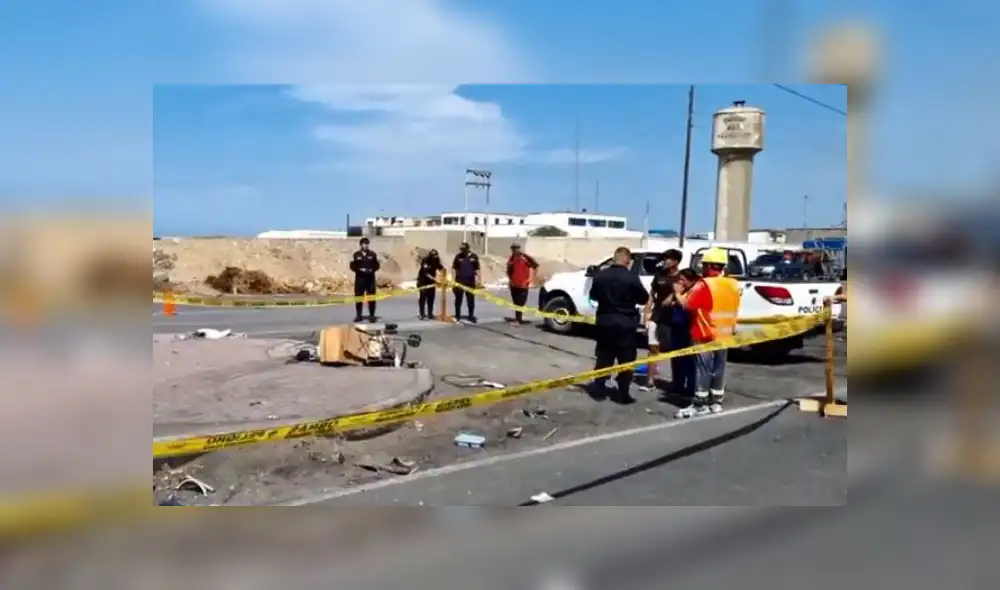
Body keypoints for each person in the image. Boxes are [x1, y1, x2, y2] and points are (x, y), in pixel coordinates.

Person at [673, 247, 741, 418]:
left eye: (703, 265)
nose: (701, 269)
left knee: (703, 370)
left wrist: (677, 293)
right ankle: (716, 401)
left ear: (710, 265)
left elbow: (688, 305)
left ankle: (699, 402)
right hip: (724, 334)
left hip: (705, 334)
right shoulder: (733, 284)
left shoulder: (705, 285)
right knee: (718, 369)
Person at [587, 246, 649, 404]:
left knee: (604, 356)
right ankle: (623, 392)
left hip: (605, 320)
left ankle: (599, 388)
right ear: (627, 260)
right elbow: (643, 298)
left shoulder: (601, 276)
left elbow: (593, 296)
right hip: (625, 323)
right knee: (626, 359)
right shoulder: (631, 277)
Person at [641, 249, 683, 390]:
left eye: (667, 259)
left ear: (675, 262)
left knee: (674, 351)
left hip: (673, 319)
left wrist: (673, 300)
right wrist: (647, 309)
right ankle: (650, 381)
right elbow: (652, 293)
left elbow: (684, 296)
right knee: (653, 348)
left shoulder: (681, 277)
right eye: (664, 258)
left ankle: (677, 384)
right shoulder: (659, 275)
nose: (664, 261)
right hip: (657, 316)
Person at [349, 237, 381, 323]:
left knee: (371, 298)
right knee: (359, 297)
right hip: (360, 279)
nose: (366, 246)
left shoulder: (372, 254)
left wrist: (372, 270)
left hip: (370, 280)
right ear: (361, 245)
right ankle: (359, 315)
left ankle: (372, 315)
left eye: (367, 244)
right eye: (364, 244)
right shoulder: (356, 255)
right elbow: (353, 266)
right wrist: (360, 270)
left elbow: (377, 265)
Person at [506, 243, 538, 326]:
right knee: (516, 303)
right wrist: (510, 280)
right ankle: (518, 320)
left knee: (521, 303)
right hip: (514, 285)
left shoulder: (525, 257)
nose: (515, 250)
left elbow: (536, 266)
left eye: (516, 248)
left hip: (523, 285)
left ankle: (518, 320)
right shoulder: (511, 258)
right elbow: (508, 271)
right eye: (513, 248)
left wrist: (531, 279)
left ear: (519, 248)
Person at [451, 242, 481, 323]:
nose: (462, 250)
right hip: (459, 281)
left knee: (470, 300)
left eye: (463, 249)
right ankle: (457, 316)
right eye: (461, 249)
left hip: (470, 281)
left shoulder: (474, 256)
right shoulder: (458, 256)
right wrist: (453, 281)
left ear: (467, 248)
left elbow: (477, 269)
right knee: (458, 300)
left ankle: (471, 316)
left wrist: (479, 280)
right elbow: (454, 269)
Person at [416, 249, 445, 320]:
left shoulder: (436, 260)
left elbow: (441, 268)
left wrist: (444, 274)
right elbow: (426, 274)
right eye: (434, 256)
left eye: (436, 256)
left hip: (431, 283)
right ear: (430, 256)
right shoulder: (425, 260)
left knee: (431, 298)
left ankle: (430, 314)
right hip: (423, 282)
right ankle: (422, 314)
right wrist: (436, 280)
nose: (435, 257)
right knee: (422, 299)